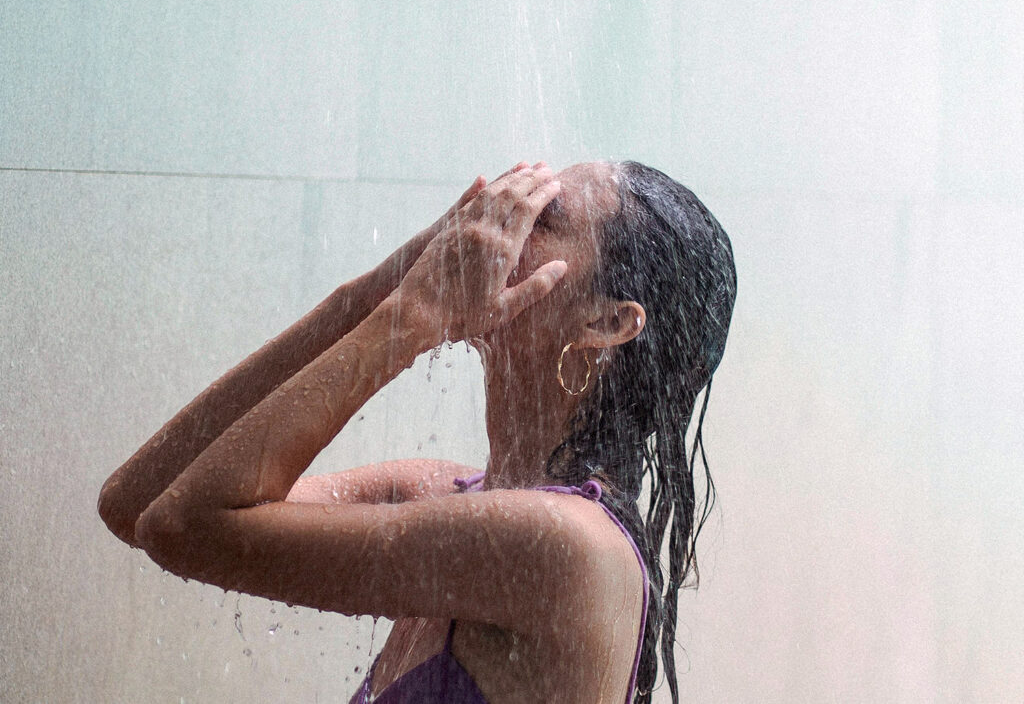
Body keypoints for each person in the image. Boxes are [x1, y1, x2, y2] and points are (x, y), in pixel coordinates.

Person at [98, 159, 737, 704]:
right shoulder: (437, 492)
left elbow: (182, 526)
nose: (498, 226)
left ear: (606, 322)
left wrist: (415, 315)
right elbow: (138, 505)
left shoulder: (563, 544)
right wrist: (385, 288)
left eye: (543, 220)